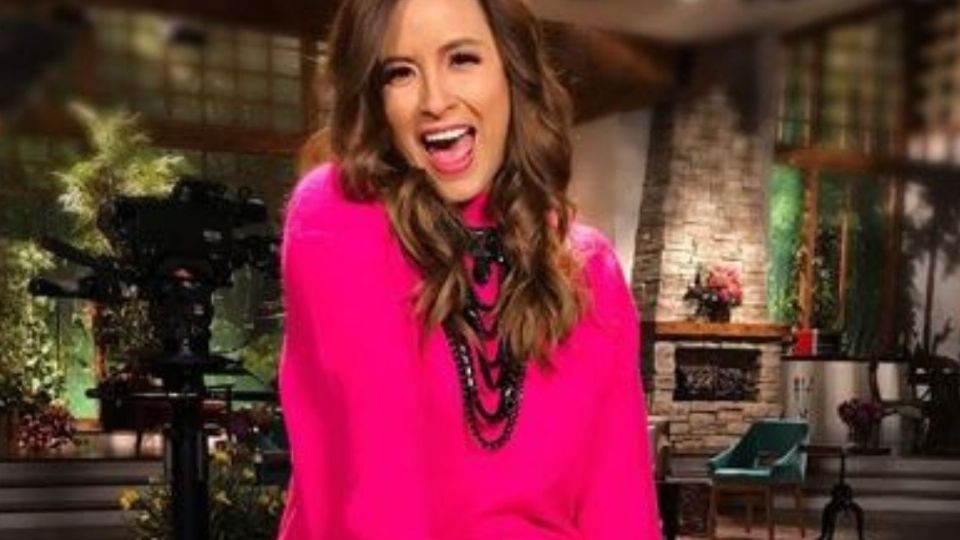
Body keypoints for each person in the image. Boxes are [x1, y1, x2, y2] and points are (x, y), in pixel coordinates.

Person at [277, 0, 660, 538]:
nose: (435, 101)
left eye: (461, 59)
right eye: (400, 73)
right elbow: (381, 491)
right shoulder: (336, 213)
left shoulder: (591, 269)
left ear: (510, 71)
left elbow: (620, 509)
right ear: (375, 99)